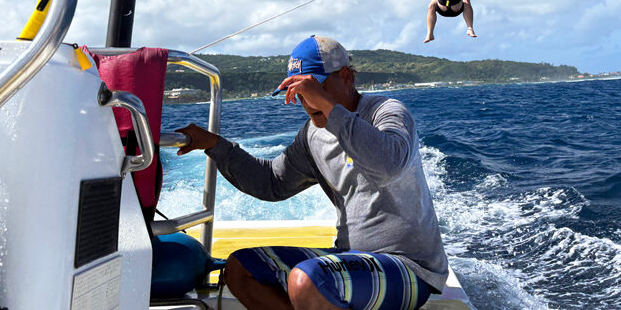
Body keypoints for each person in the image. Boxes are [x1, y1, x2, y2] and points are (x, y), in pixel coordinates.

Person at [176, 35, 448, 310]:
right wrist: (215, 145)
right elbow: (272, 182)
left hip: (409, 266)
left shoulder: (386, 112)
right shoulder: (313, 136)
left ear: (345, 77)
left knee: (306, 280)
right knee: (240, 269)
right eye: (299, 92)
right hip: (350, 260)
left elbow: (388, 165)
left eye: (313, 88)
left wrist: (330, 109)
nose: (307, 102)